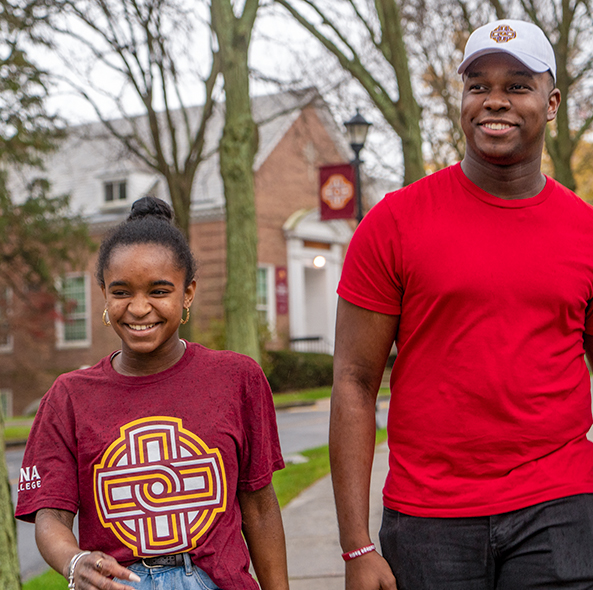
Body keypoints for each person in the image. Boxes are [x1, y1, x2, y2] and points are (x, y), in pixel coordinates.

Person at [330, 18, 593, 590]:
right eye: (479, 85)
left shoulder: (585, 231)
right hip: (428, 517)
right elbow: (353, 380)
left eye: (517, 85)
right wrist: (356, 547)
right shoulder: (394, 223)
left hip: (560, 505)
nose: (494, 100)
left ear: (550, 104)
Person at [16, 196, 289, 590]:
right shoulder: (68, 396)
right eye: (122, 291)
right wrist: (74, 562)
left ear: (188, 293)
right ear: (104, 295)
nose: (139, 308)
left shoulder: (237, 378)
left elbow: (260, 507)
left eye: (159, 291)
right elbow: (51, 516)